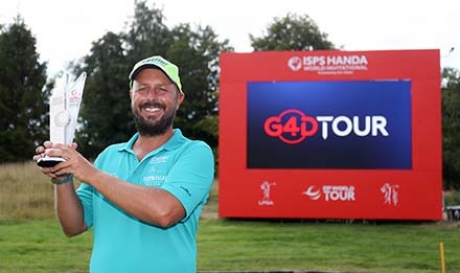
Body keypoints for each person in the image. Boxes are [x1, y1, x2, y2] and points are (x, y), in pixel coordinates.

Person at [33, 55, 215, 273]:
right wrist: (63, 177)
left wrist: (88, 171)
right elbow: (73, 225)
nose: (151, 97)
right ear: (131, 96)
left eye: (162, 89)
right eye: (143, 89)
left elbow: (165, 212)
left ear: (179, 99)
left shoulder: (194, 152)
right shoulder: (109, 156)